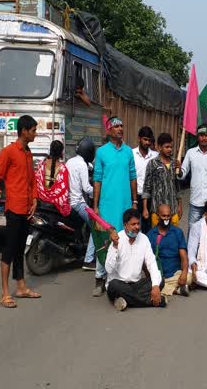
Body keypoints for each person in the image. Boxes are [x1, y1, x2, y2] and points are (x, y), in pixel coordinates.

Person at [0, 115, 41, 308]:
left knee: (20, 249)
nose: (36, 134)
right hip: (13, 209)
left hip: (27, 209)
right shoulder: (8, 152)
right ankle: (4, 293)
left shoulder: (28, 153)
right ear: (24, 131)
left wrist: (34, 199)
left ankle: (21, 287)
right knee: (9, 250)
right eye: (34, 130)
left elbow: (32, 181)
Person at [92, 116, 137, 297]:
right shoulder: (102, 152)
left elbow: (132, 176)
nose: (120, 128)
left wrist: (134, 201)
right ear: (109, 131)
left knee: (124, 242)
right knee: (105, 241)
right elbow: (97, 180)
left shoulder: (128, 152)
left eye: (121, 125)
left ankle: (119, 279)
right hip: (107, 205)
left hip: (125, 204)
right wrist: (95, 206)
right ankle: (99, 278)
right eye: (116, 126)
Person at [105, 208, 166, 311]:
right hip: (119, 284)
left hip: (136, 285)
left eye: (138, 224)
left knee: (160, 281)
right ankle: (152, 301)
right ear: (125, 225)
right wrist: (115, 246)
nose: (137, 227)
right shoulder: (117, 239)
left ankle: (125, 300)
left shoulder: (144, 239)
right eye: (133, 224)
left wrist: (155, 286)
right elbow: (109, 269)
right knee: (113, 285)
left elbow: (151, 263)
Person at [178, 123, 207, 227]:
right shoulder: (190, 153)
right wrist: (178, 169)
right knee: (193, 233)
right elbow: (182, 175)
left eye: (206, 135)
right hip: (195, 203)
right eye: (201, 135)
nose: (204, 138)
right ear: (198, 137)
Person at [67, 138, 101, 272]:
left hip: (68, 201)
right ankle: (88, 259)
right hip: (78, 203)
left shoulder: (70, 161)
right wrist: (99, 193)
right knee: (95, 226)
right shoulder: (82, 165)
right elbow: (87, 188)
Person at [148, 203, 192, 297]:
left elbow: (183, 255)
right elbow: (147, 258)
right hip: (159, 275)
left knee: (189, 277)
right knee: (150, 283)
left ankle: (165, 288)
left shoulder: (177, 232)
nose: (166, 218)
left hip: (175, 274)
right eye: (163, 216)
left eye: (168, 216)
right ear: (158, 216)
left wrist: (184, 273)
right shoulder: (151, 234)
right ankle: (177, 290)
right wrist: (152, 276)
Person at [142, 132, 182, 227]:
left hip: (173, 209)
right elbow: (147, 187)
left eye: (171, 147)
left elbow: (178, 186)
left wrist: (180, 205)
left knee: (173, 237)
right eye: (167, 147)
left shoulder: (174, 163)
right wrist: (145, 208)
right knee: (158, 239)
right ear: (159, 147)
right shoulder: (153, 164)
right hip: (157, 210)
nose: (170, 149)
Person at [35, 140, 71, 217]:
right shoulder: (63, 169)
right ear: (61, 152)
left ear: (50, 150)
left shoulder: (41, 165)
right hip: (55, 209)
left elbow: (36, 183)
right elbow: (64, 191)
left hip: (40, 205)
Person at [133, 126, 158, 234]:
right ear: (139, 138)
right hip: (135, 196)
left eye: (149, 140)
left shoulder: (155, 156)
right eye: (145, 139)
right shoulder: (131, 154)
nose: (147, 142)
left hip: (150, 198)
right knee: (134, 226)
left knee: (148, 228)